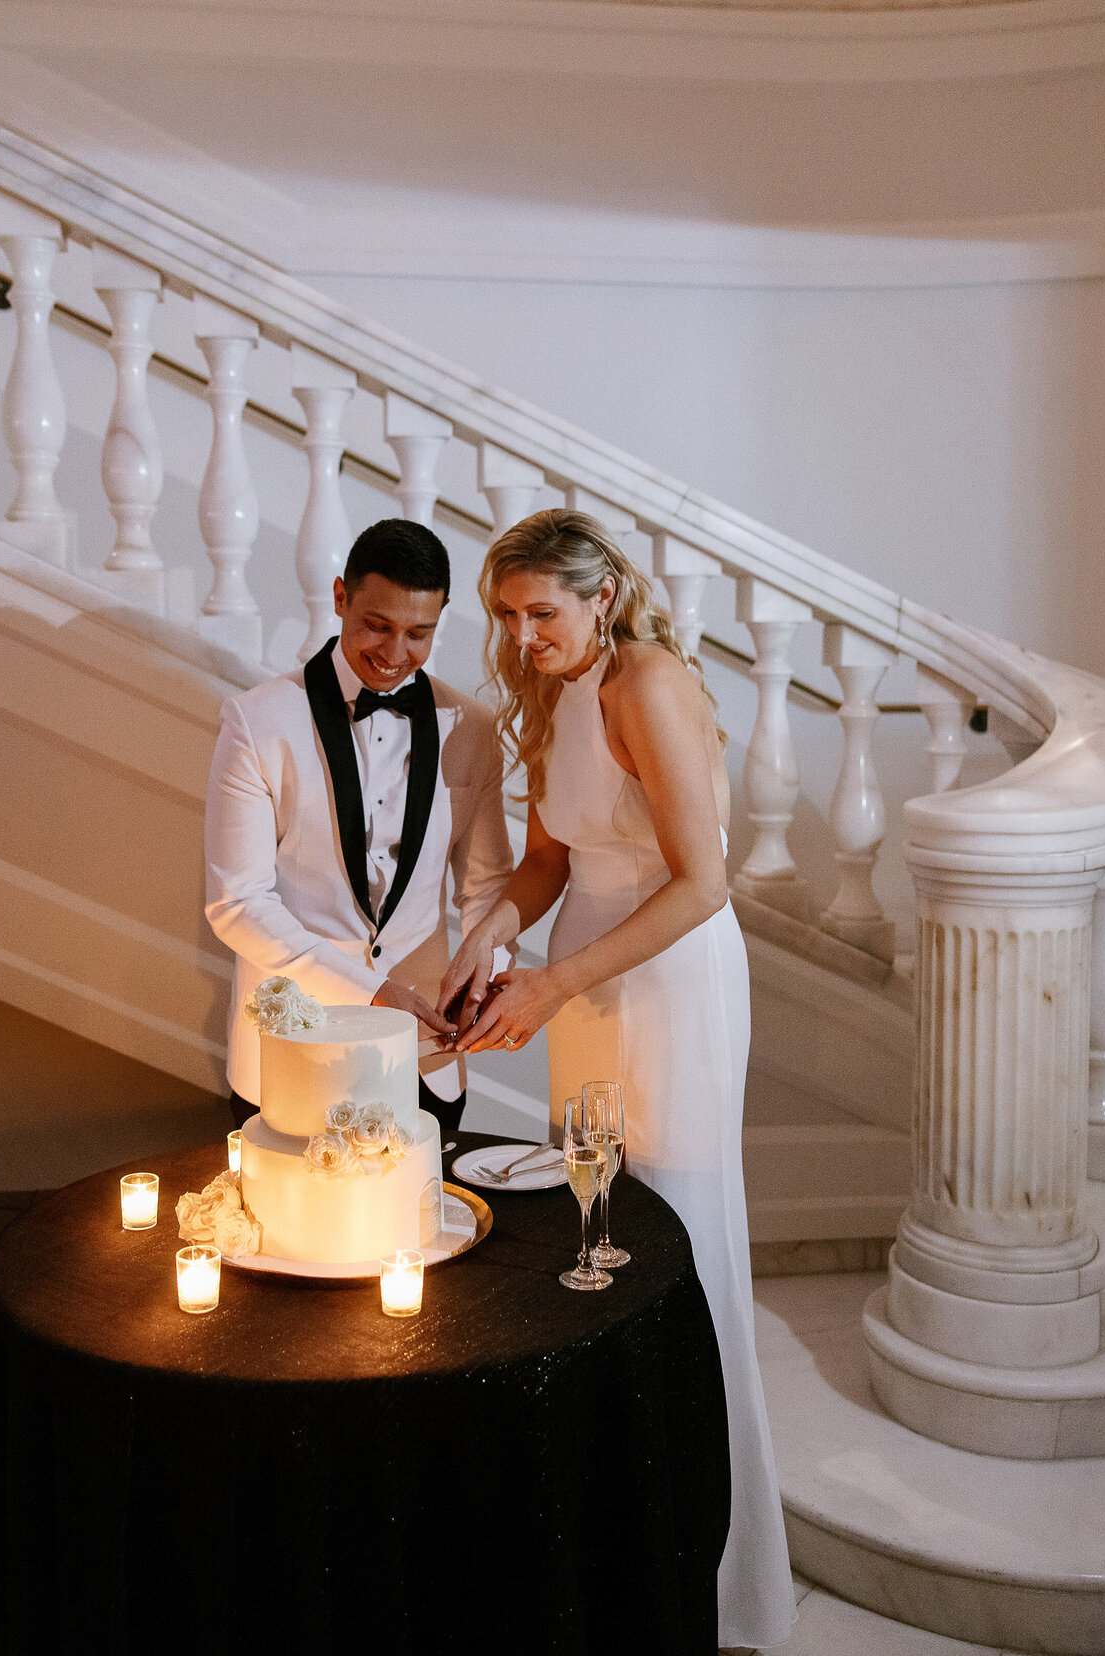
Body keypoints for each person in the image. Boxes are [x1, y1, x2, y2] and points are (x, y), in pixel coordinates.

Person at [438, 509, 796, 1652]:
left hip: (669, 980)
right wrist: (487, 940)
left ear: (602, 598)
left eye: (542, 611)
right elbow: (552, 859)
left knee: (672, 1233)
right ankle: (617, 1536)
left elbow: (702, 884)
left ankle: (717, 1572)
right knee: (593, 1224)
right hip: (583, 978)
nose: (523, 634)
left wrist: (553, 984)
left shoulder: (646, 682)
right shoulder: (554, 688)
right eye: (507, 614)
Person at [204, 518, 514, 1132]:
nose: (395, 655)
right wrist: (368, 991)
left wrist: (487, 976)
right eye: (378, 625)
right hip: (293, 1051)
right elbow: (237, 903)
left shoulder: (473, 729)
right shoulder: (257, 721)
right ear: (341, 597)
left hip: (428, 1057)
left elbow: (487, 889)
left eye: (418, 634)